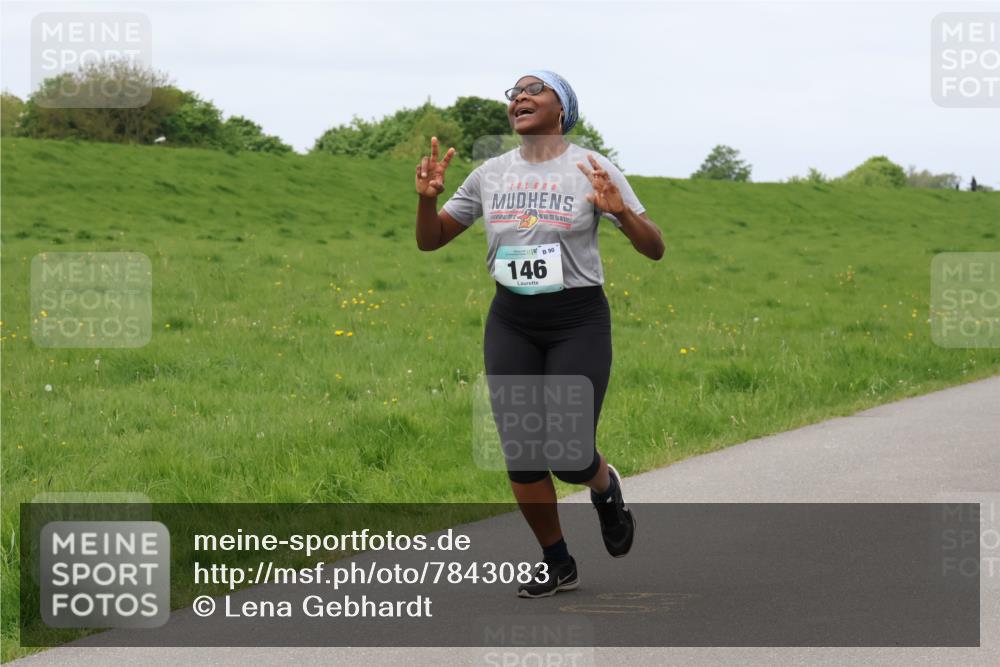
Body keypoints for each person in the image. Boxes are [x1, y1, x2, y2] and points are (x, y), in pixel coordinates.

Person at [414, 70, 664, 598]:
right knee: (523, 453)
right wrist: (425, 200)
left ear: (562, 108)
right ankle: (557, 561)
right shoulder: (489, 174)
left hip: (577, 320)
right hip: (512, 321)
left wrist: (619, 211)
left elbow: (654, 247)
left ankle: (604, 485)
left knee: (571, 456)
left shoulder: (591, 167)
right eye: (514, 93)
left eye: (534, 90)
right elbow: (431, 241)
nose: (519, 98)